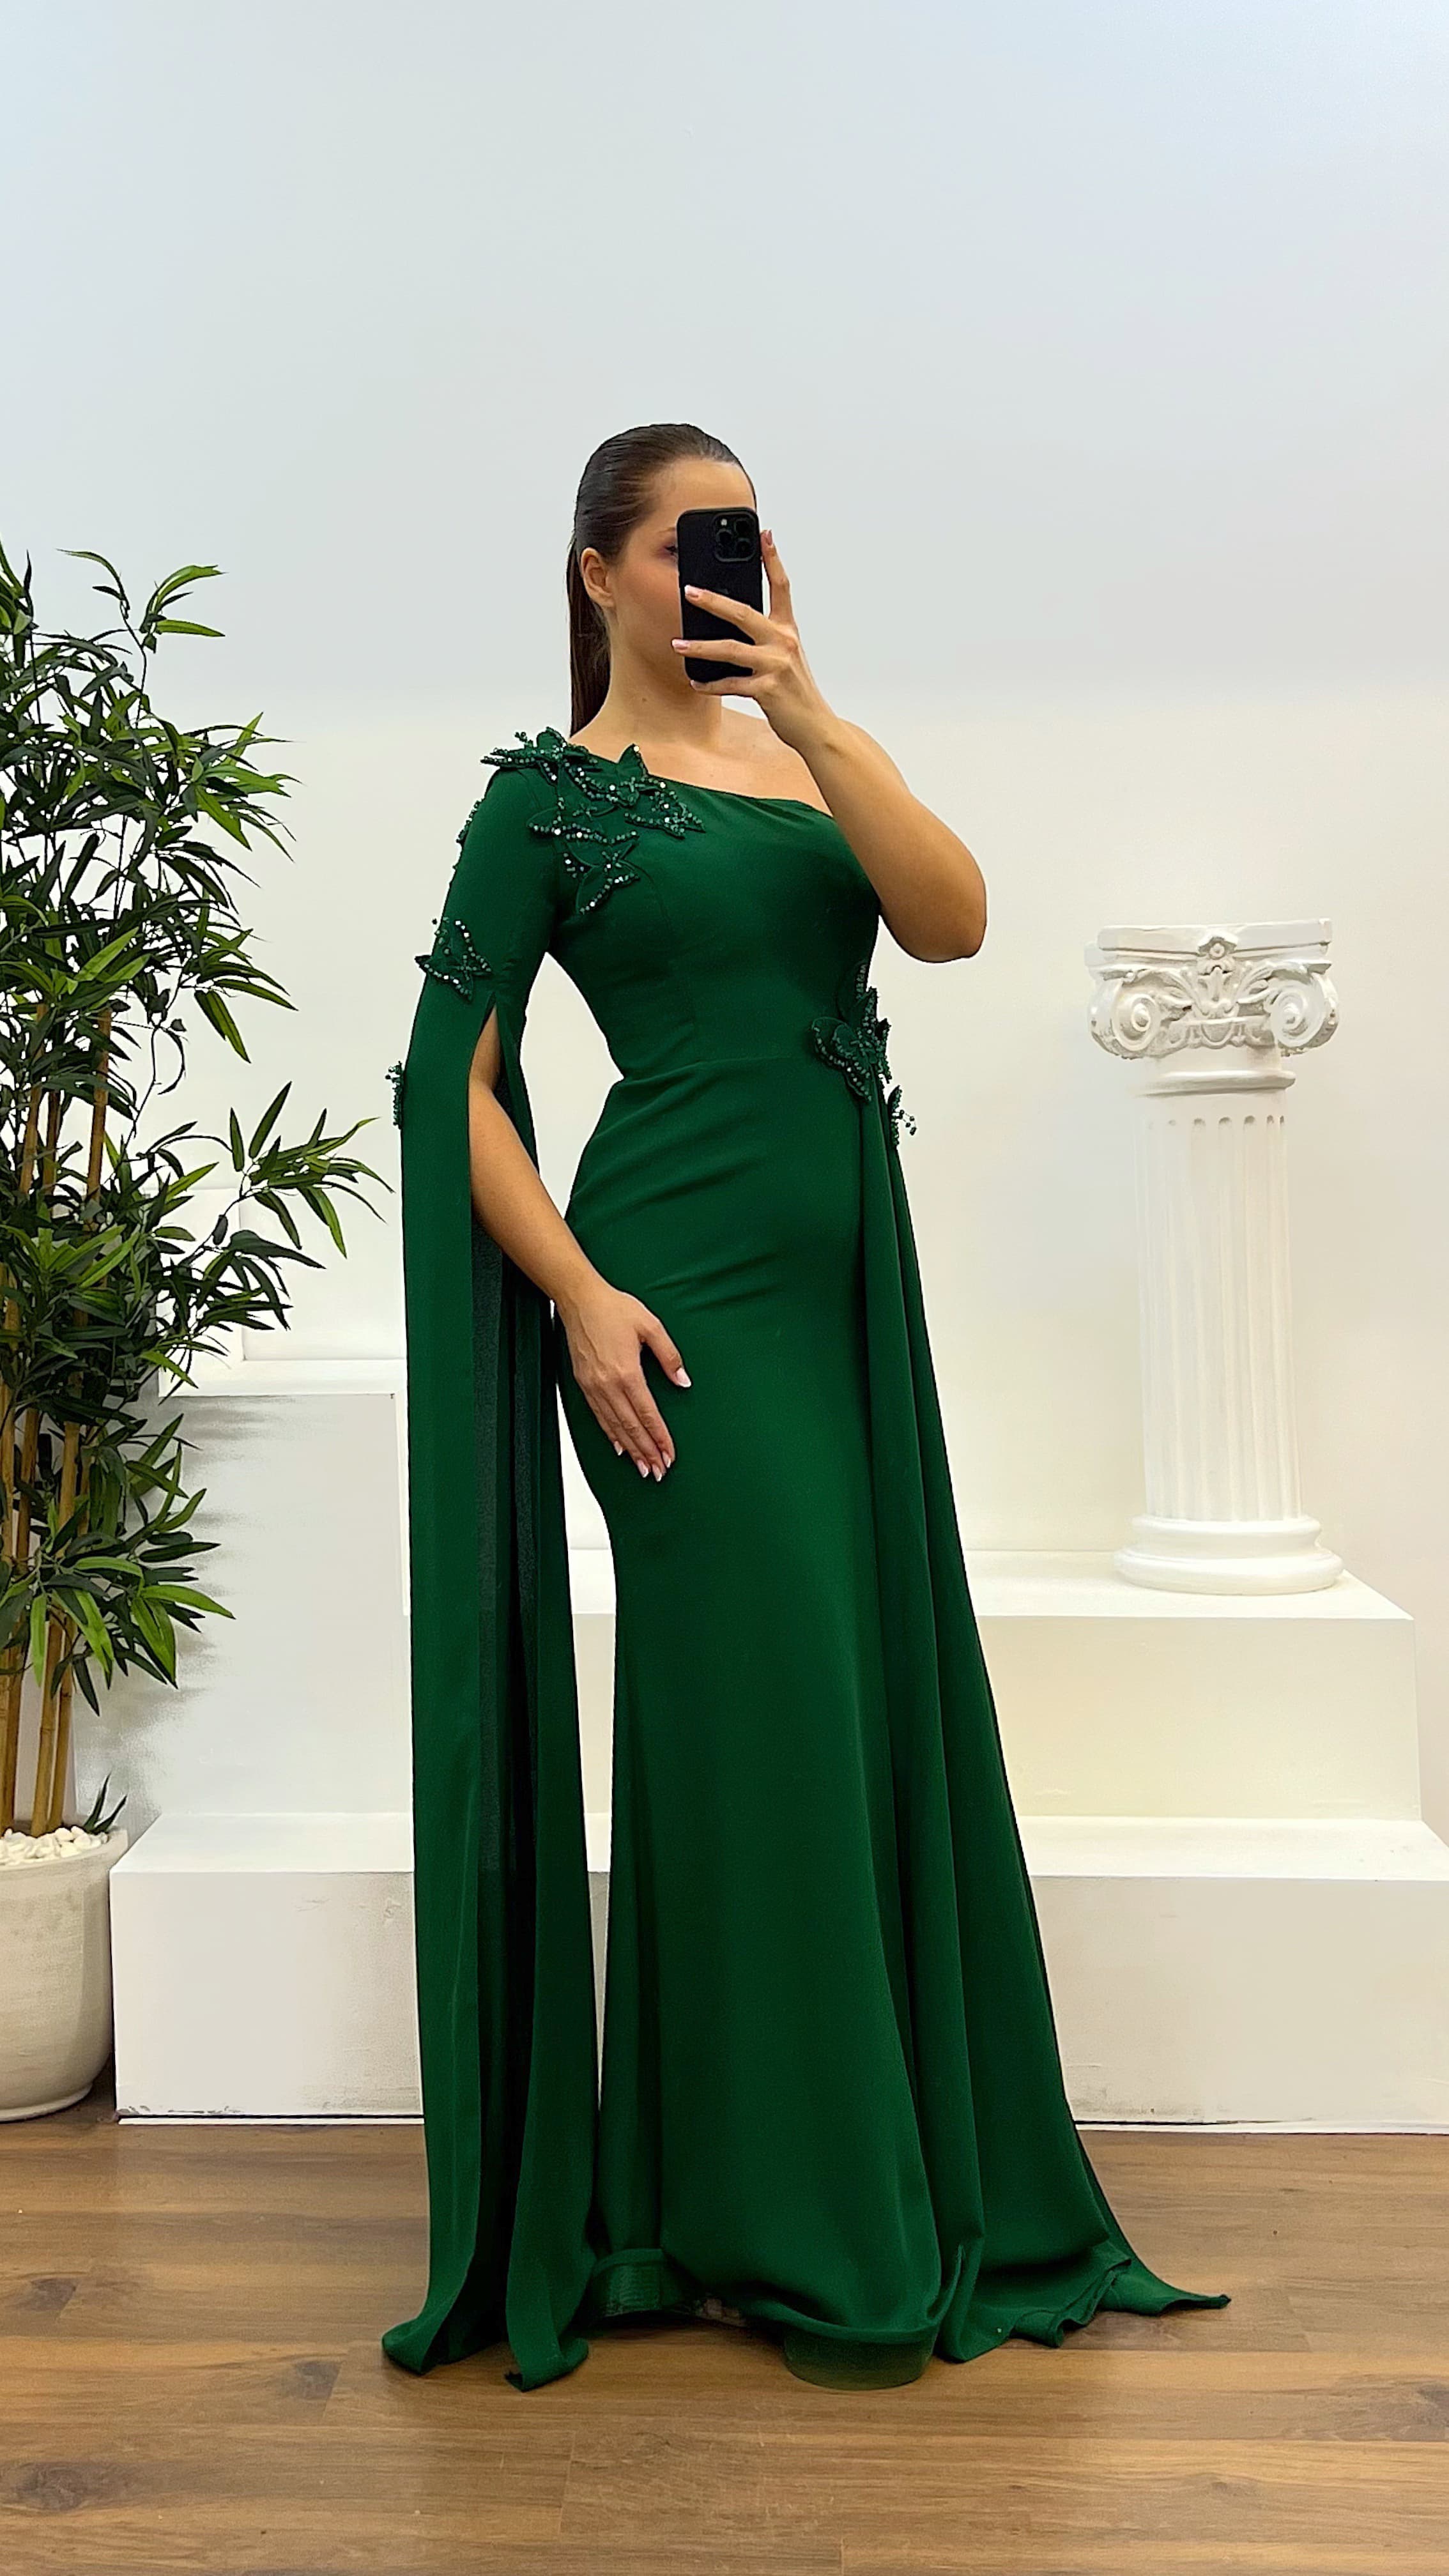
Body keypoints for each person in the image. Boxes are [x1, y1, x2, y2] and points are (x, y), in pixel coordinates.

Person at [381, 422, 1230, 2392]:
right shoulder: (543, 802)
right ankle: (806, 2221)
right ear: (597, 572)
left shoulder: (806, 759)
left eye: (743, 540)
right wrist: (577, 1295)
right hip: (671, 1307)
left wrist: (816, 709)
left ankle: (728, 2196)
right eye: (687, 541)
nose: (721, 568)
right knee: (766, 1728)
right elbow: (450, 1085)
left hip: (848, 1309)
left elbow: (951, 919)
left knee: (827, 1725)